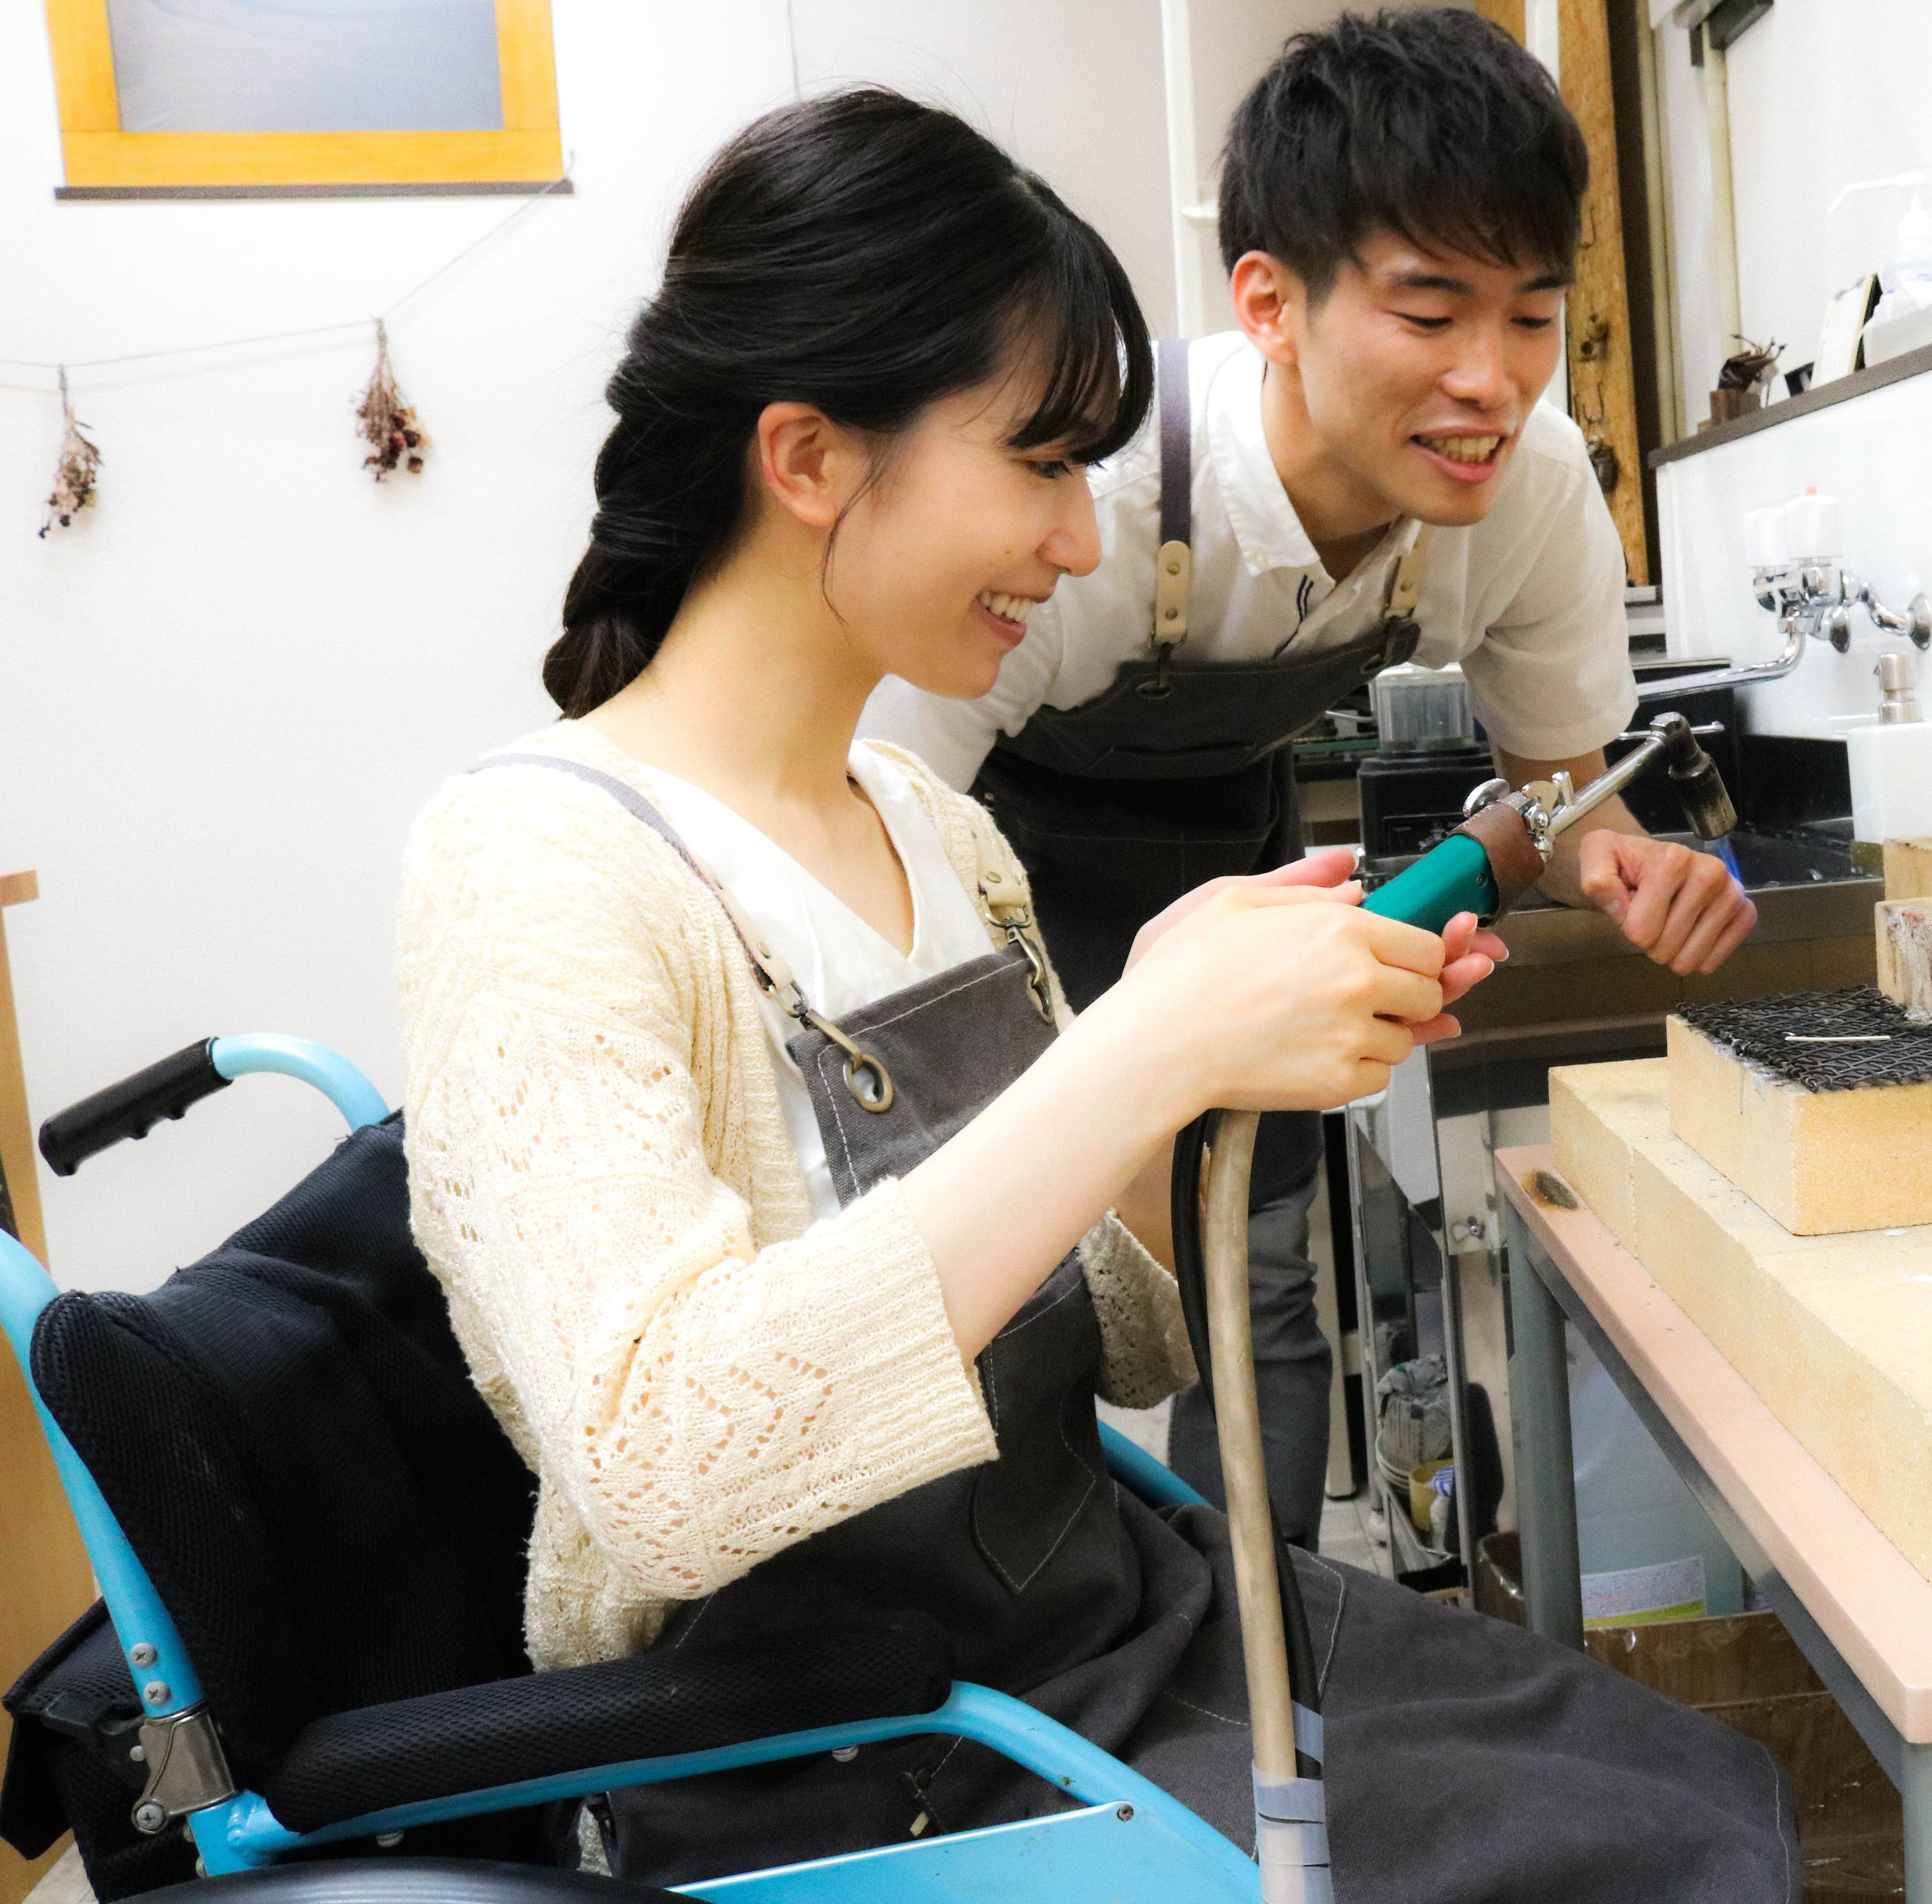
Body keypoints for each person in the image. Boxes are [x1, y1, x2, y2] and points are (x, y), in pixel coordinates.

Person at [398, 88, 1795, 1900]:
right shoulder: (538, 863)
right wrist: (1140, 1048)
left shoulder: (927, 828)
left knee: (1695, 1784)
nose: (1078, 543)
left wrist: (1210, 1052)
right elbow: (665, 1470)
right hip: (844, 1746)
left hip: (1091, 1626)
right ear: (808, 457)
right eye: (1041, 468)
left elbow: (1123, 1337)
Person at [868, 10, 1756, 1542]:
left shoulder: (1533, 494)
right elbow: (879, 831)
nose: (1492, 381)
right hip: (989, 865)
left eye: (1533, 318)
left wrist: (1617, 858)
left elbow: (1559, 794)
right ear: (1271, 304)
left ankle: (1254, 1626)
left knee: (1258, 1272)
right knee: (1001, 1283)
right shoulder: (1086, 489)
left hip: (1235, 849)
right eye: (1431, 314)